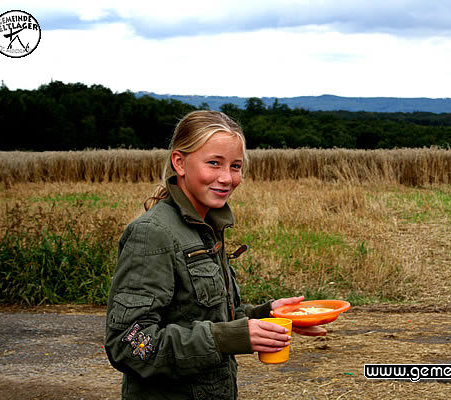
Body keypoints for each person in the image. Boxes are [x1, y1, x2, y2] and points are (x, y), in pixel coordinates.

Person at [104, 110, 303, 399]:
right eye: (214, 163)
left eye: (236, 166)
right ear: (179, 162)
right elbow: (128, 344)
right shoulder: (153, 234)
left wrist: (269, 316)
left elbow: (208, 316)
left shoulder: (206, 227)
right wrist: (226, 338)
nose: (227, 178)